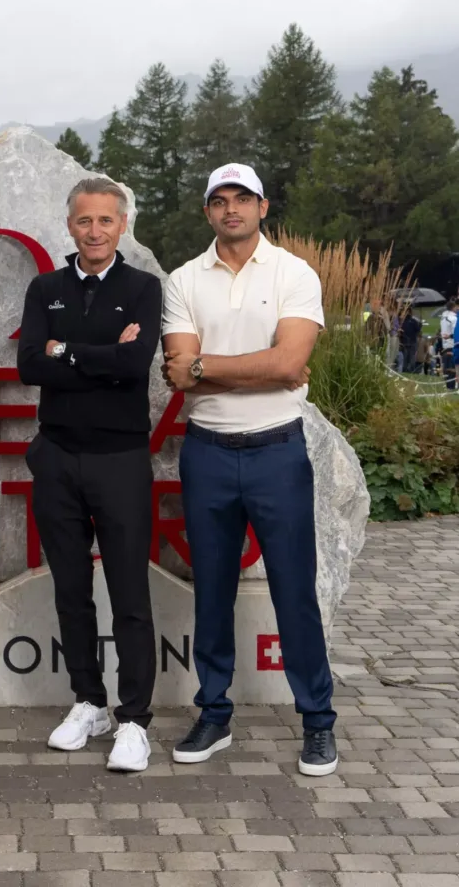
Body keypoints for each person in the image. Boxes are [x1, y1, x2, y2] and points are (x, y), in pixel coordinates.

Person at [161, 162, 338, 777]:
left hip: (276, 451)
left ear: (264, 207)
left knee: (295, 590)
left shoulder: (295, 273)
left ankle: (317, 721)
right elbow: (177, 369)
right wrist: (243, 365)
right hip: (207, 451)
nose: (230, 208)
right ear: (208, 211)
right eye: (219, 200)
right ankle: (214, 711)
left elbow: (291, 365)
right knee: (212, 590)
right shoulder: (184, 279)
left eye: (243, 198)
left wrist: (205, 366)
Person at [17, 177, 162, 773]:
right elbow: (29, 363)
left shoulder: (145, 287)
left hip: (121, 460)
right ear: (70, 225)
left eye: (106, 220)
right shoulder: (45, 287)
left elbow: (134, 366)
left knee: (129, 592)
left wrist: (65, 351)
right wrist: (85, 355)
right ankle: (89, 701)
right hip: (57, 457)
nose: (95, 231)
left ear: (121, 225)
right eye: (85, 221)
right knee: (71, 590)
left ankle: (133, 719)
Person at [441, 299, 459, 390]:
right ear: (454, 307)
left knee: (447, 368)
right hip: (453, 345)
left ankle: (449, 386)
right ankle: (452, 387)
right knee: (453, 368)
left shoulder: (443, 318)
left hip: (445, 346)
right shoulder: (454, 318)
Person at [399, 308, 422, 373]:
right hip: (406, 342)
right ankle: (406, 370)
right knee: (407, 358)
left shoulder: (411, 321)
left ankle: (409, 370)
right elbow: (418, 331)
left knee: (410, 358)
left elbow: (418, 331)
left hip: (410, 342)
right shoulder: (403, 321)